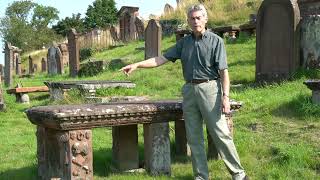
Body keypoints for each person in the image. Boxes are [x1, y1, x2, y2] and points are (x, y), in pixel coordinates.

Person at [120, 4, 248, 180]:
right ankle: (201, 176)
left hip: (210, 89)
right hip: (189, 91)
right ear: (188, 21)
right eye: (192, 18)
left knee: (220, 134)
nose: (195, 21)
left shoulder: (215, 41)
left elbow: (224, 72)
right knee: (194, 138)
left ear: (205, 19)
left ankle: (239, 174)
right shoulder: (184, 43)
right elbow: (160, 59)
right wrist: (137, 65)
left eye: (198, 18)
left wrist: (226, 97)